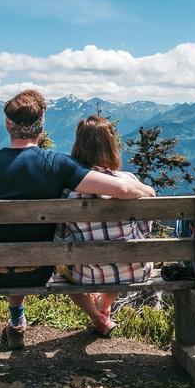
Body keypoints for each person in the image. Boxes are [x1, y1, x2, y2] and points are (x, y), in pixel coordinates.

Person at [0, 90, 155, 349]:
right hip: (37, 272)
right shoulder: (56, 164)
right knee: (29, 251)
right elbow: (120, 189)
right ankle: (96, 314)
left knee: (8, 243)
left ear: (7, 124)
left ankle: (17, 318)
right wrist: (146, 191)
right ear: (41, 125)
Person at [57, 115, 155, 336]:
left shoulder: (68, 191)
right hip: (136, 270)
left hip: (88, 274)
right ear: (111, 146)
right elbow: (144, 229)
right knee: (123, 259)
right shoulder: (129, 181)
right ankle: (105, 306)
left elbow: (62, 233)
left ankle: (97, 316)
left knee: (63, 269)